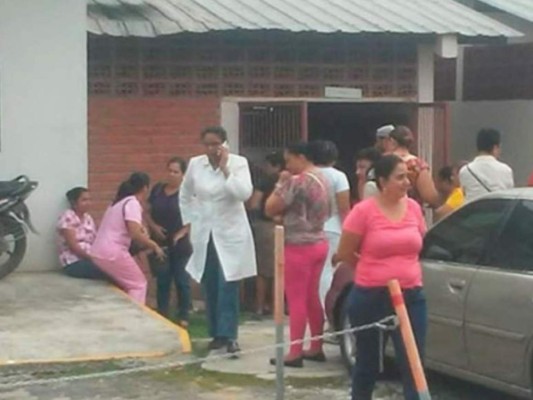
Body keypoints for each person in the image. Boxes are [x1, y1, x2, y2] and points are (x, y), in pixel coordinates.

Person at [335, 154, 427, 400]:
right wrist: (372, 267)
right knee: (367, 364)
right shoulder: (363, 212)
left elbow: (420, 243)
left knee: (413, 363)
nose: (406, 182)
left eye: (407, 176)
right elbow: (344, 252)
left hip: (411, 295)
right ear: (383, 182)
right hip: (371, 296)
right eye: (400, 177)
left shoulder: (414, 209)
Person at [180, 126, 257, 357]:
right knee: (210, 283)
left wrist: (225, 170)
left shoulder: (238, 163)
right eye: (207, 144)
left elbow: (244, 194)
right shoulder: (196, 164)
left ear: (225, 143)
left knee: (228, 284)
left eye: (216, 144)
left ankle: (230, 335)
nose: (212, 149)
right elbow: (185, 195)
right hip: (205, 233)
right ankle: (216, 334)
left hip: (230, 233)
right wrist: (190, 221)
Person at [265, 142, 330, 368]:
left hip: (298, 245)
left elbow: (270, 207)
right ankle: (316, 345)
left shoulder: (297, 181)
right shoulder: (323, 177)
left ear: (301, 157)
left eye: (289, 159)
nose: (287, 165)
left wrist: (280, 182)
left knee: (296, 298)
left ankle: (294, 351)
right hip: (319, 239)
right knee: (312, 295)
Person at [91, 172, 165, 304]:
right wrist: (153, 245)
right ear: (145, 188)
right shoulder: (132, 203)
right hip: (113, 252)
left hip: (98, 252)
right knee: (138, 284)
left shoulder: (116, 203)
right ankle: (134, 318)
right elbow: (134, 232)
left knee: (124, 284)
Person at [145, 157, 192, 325]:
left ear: (183, 175)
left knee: (181, 280)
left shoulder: (187, 193)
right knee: (163, 280)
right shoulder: (158, 190)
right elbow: (147, 212)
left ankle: (184, 314)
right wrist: (154, 226)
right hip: (160, 242)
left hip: (180, 243)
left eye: (176, 172)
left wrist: (182, 232)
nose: (171, 175)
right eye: (169, 171)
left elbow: (195, 216)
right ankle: (163, 312)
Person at [308, 140, 350, 309]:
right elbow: (343, 208)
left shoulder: (307, 175)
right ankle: (326, 310)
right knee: (328, 271)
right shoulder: (339, 177)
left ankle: (313, 309)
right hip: (333, 228)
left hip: (309, 229)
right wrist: (349, 231)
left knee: (312, 273)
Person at [248, 151, 285, 318]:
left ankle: (260, 306)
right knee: (281, 268)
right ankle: (279, 305)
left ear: (275, 166)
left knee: (263, 271)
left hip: (266, 227)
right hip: (286, 227)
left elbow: (254, 204)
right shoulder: (294, 181)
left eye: (267, 165)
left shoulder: (266, 181)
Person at [56, 187, 105, 279]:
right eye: (84, 200)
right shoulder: (68, 217)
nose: (88, 203)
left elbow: (94, 240)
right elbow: (73, 246)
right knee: (106, 270)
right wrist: (92, 258)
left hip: (90, 258)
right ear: (74, 203)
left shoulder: (88, 218)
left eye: (89, 200)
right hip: (74, 262)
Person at [389, 126, 441, 208]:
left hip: (385, 211)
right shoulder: (418, 165)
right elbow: (430, 196)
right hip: (410, 213)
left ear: (392, 141)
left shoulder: (382, 163)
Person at [459, 128, 514, 202]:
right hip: (498, 212)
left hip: (473, 212)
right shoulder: (506, 170)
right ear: (495, 148)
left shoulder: (465, 171)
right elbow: (509, 195)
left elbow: (464, 194)